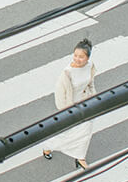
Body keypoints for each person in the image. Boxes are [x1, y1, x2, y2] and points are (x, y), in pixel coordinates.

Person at [41, 38, 96, 169]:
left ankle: (80, 157)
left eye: (81, 57)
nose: (77, 59)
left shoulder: (90, 66)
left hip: (86, 103)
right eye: (75, 55)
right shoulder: (67, 73)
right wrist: (66, 110)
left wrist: (93, 97)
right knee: (67, 133)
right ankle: (48, 146)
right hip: (71, 106)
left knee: (86, 132)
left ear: (87, 58)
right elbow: (60, 95)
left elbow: (91, 83)